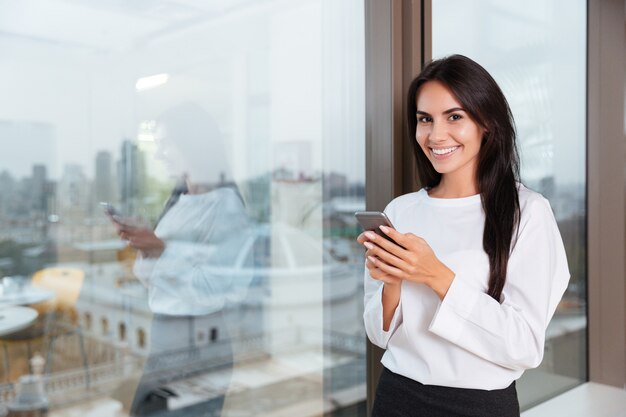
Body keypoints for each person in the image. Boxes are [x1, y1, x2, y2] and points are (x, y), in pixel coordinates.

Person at [359, 55, 570, 417]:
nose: (436, 135)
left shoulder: (529, 213)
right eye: (425, 119)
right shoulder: (401, 211)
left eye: (454, 117)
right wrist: (393, 282)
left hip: (479, 404)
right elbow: (379, 336)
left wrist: (435, 275)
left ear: (486, 123)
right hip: (396, 395)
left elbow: (524, 345)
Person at [112, 103, 251, 416]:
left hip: (197, 341)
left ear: (191, 145)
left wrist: (161, 250)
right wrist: (146, 246)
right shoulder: (180, 202)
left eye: (164, 144)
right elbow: (153, 275)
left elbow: (218, 287)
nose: (159, 154)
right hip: (168, 338)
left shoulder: (225, 206)